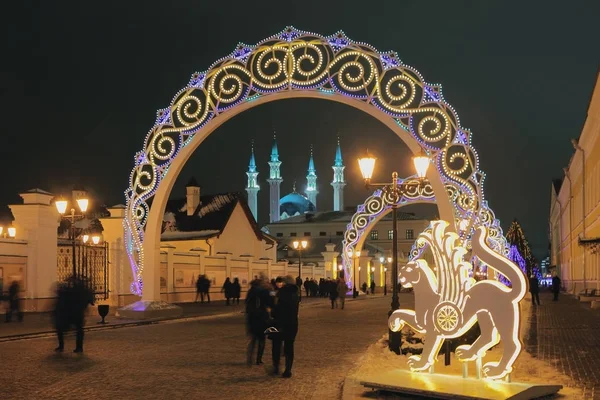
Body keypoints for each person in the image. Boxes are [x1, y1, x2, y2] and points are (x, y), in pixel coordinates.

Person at [54, 276, 94, 353]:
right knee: (77, 329)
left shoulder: (76, 290)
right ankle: (77, 347)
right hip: (75, 312)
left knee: (74, 329)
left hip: (75, 312)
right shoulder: (80, 290)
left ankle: (66, 346)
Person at [271, 275, 299, 378]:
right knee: (289, 347)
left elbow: (277, 309)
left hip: (280, 323)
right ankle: (288, 369)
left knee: (276, 345)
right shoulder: (296, 294)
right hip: (292, 323)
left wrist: (272, 312)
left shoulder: (281, 293)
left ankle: (276, 367)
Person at [245, 273, 272, 366]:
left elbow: (247, 303)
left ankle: (249, 358)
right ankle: (259, 359)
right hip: (261, 317)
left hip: (251, 317)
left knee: (253, 339)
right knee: (261, 339)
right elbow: (270, 301)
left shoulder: (250, 291)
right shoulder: (264, 291)